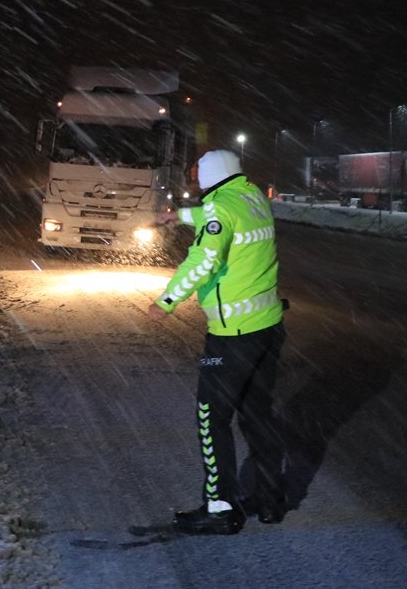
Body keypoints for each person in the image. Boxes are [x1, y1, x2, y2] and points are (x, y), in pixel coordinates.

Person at [148, 149, 287, 534]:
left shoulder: (220, 209)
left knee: (212, 417)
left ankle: (220, 507)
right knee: (257, 416)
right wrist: (179, 216)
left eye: (197, 175)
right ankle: (270, 500)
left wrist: (167, 301)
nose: (195, 181)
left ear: (210, 176)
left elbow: (203, 261)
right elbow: (218, 218)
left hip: (232, 335)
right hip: (267, 327)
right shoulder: (252, 197)